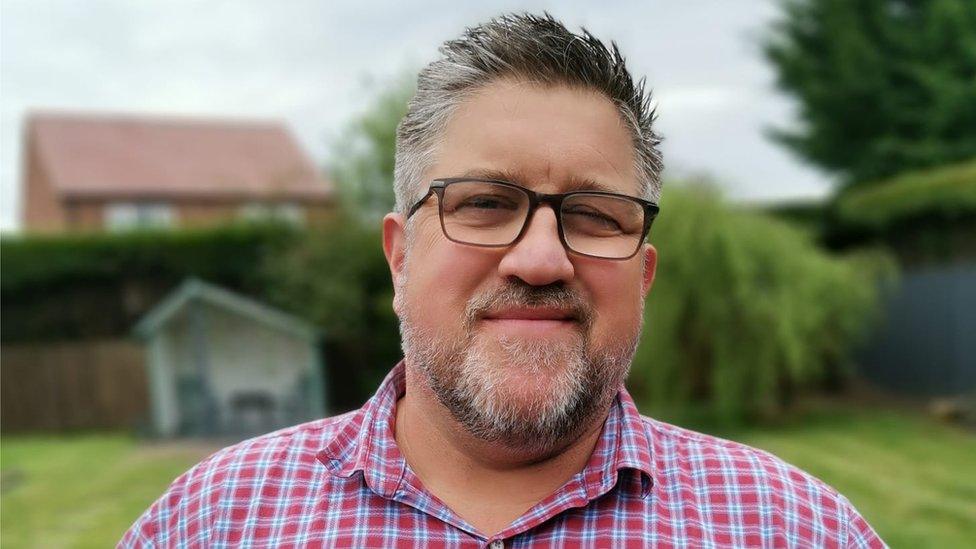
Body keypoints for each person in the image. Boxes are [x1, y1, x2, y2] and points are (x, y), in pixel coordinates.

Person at [121, 13, 885, 548]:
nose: (542, 259)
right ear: (399, 258)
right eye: (486, 203)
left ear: (643, 274)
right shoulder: (209, 523)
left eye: (594, 214)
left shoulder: (799, 529)